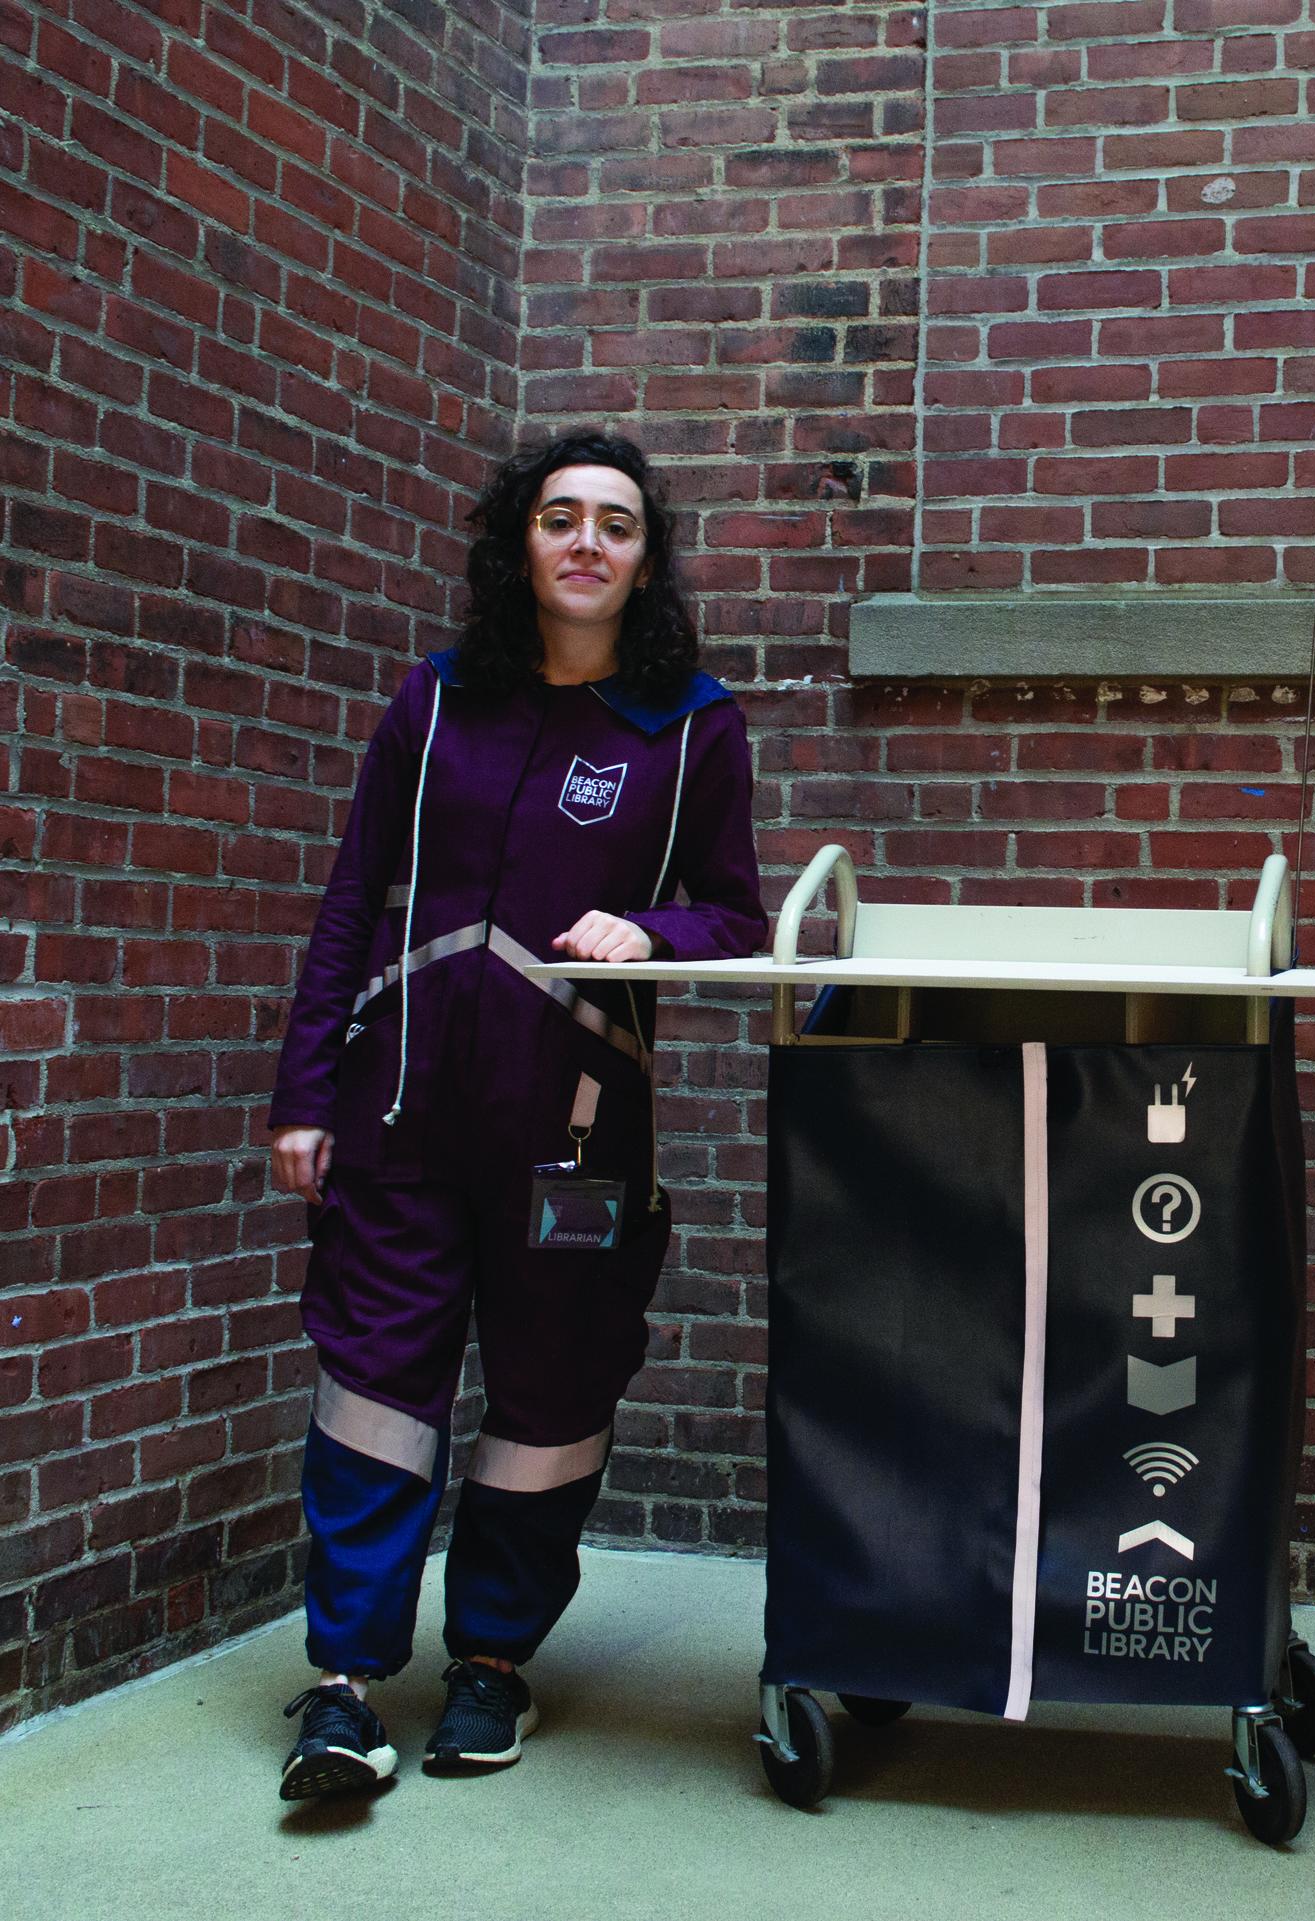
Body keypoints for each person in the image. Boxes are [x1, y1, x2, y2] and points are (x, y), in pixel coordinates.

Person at [265, 429, 766, 1799]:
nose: (588, 542)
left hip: (581, 1138)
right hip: (403, 1125)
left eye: (616, 523)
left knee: (548, 1399)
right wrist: (306, 1090)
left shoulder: (691, 724)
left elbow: (739, 914)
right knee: (374, 1396)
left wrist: (649, 928)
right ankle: (346, 1687)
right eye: (562, 518)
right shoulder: (432, 706)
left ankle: (491, 1663)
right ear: (521, 542)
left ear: (646, 558)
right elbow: (348, 901)